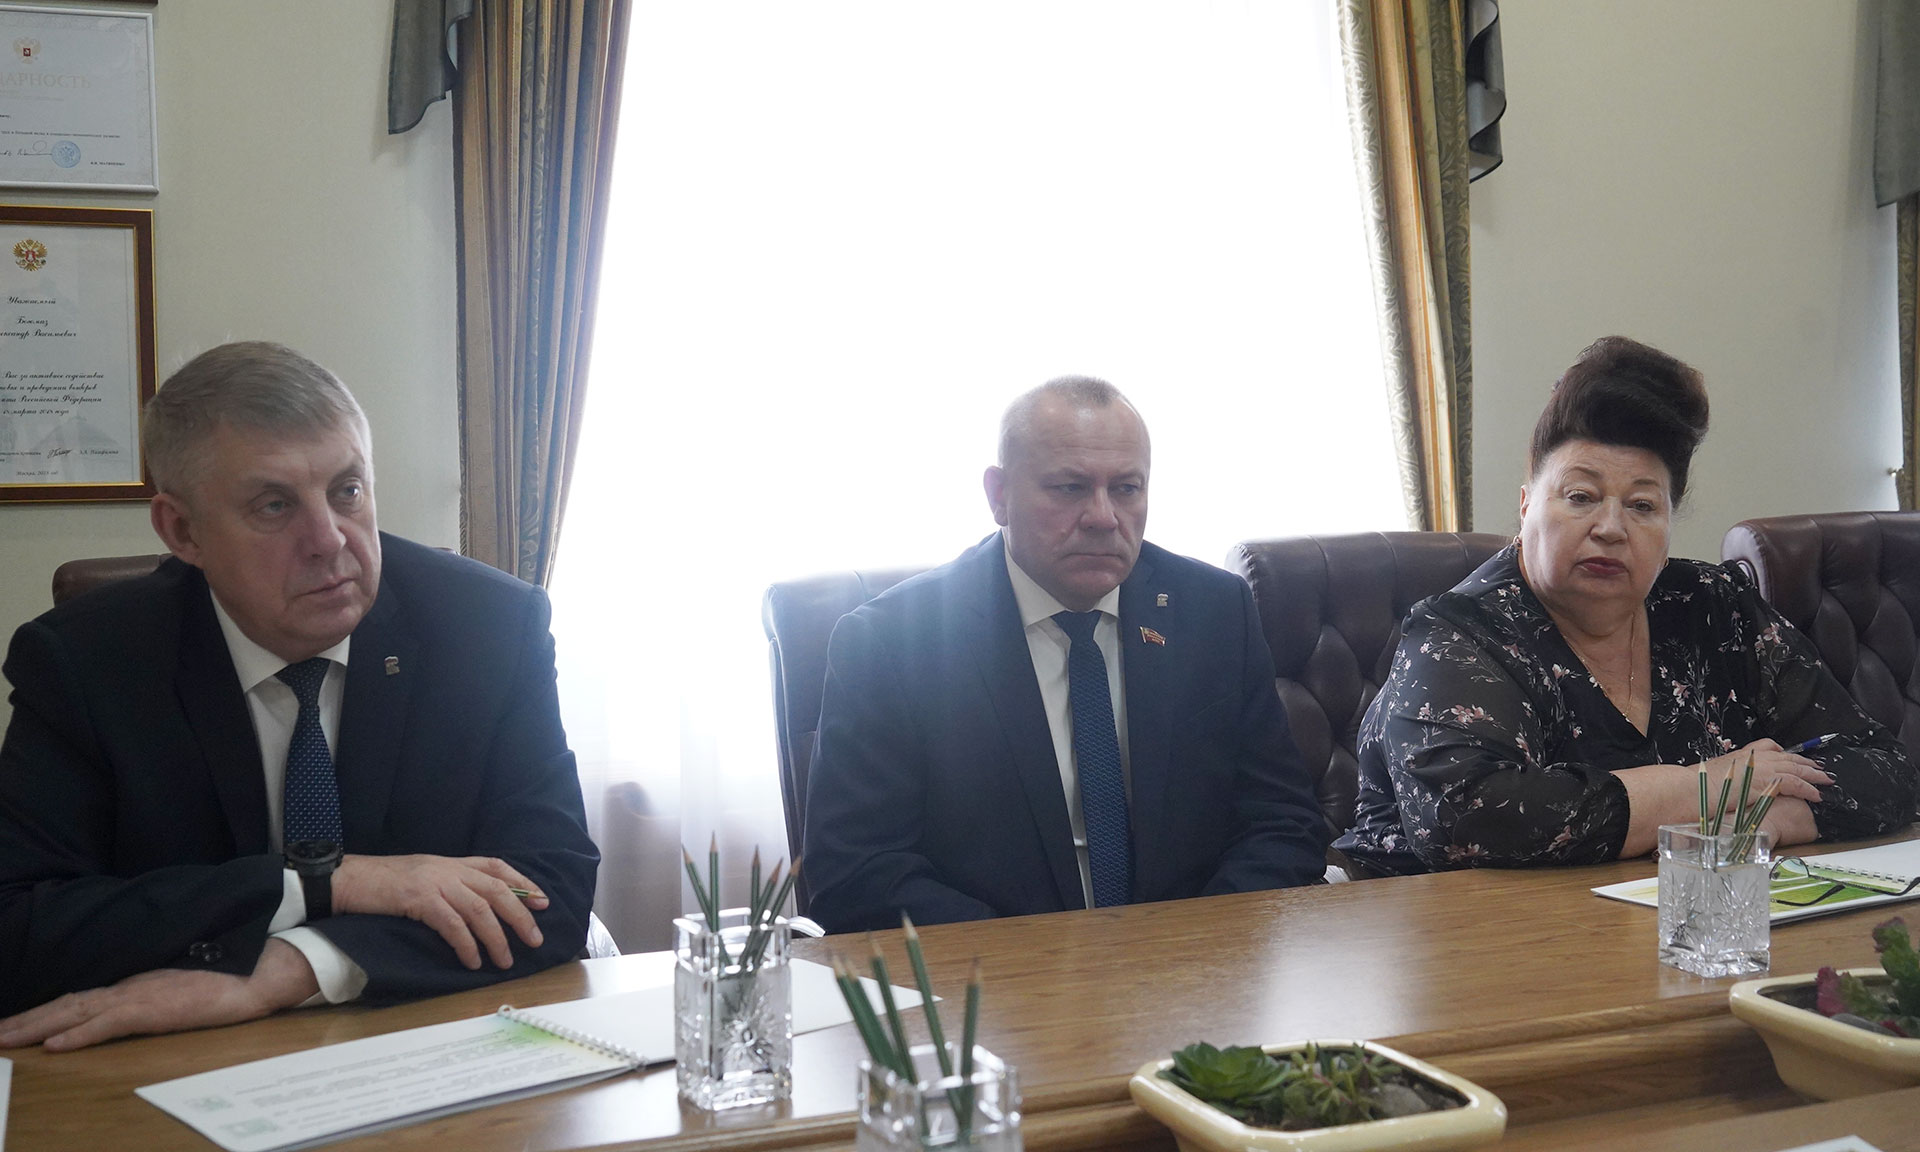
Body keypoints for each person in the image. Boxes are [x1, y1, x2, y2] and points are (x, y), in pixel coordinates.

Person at [0, 341, 598, 1050]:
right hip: (171, 1065)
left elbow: (552, 892)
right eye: (275, 505)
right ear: (183, 531)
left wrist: (286, 969)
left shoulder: (487, 628)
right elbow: (17, 928)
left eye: (348, 491)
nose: (329, 540)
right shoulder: (86, 663)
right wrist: (327, 884)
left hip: (424, 1045)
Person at [1339, 336, 1916, 876]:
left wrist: (1762, 824)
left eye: (1642, 506)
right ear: (1526, 506)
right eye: (1580, 497)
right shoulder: (1457, 632)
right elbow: (1469, 819)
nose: (1611, 528)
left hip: (1667, 914)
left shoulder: (1712, 606)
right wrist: (1714, 788)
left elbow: (1882, 768)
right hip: (1448, 927)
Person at [802, 376, 1328, 932]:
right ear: (999, 496)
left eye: (1126, 488)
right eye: (1070, 488)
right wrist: (1043, 959)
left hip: (1194, 960)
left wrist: (1191, 942)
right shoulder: (892, 643)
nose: (1103, 516)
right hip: (996, 972)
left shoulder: (1213, 612)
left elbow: (1282, 820)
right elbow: (855, 871)